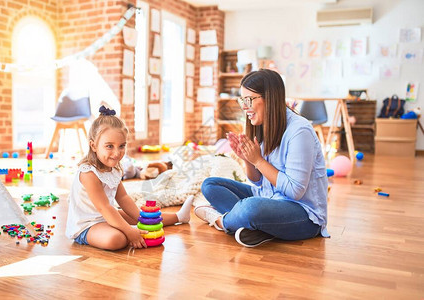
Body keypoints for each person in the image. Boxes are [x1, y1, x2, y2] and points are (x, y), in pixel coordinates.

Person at [194, 69, 329, 247]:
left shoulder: (299, 131)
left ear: (270, 98)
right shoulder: (261, 124)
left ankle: (222, 221)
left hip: (303, 215)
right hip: (268, 198)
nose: (244, 106)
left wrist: (258, 160)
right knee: (210, 185)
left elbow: (295, 191)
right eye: (242, 100)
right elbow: (258, 182)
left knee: (250, 208)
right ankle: (258, 227)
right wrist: (247, 159)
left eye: (249, 99)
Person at [66, 105, 193, 250]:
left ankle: (179, 217)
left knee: (145, 218)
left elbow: (124, 198)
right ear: (93, 146)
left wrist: (141, 218)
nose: (117, 152)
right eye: (109, 146)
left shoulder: (113, 168)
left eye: (121, 146)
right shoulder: (88, 173)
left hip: (105, 218)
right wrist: (129, 231)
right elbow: (104, 207)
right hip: (86, 225)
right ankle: (126, 231)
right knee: (117, 239)